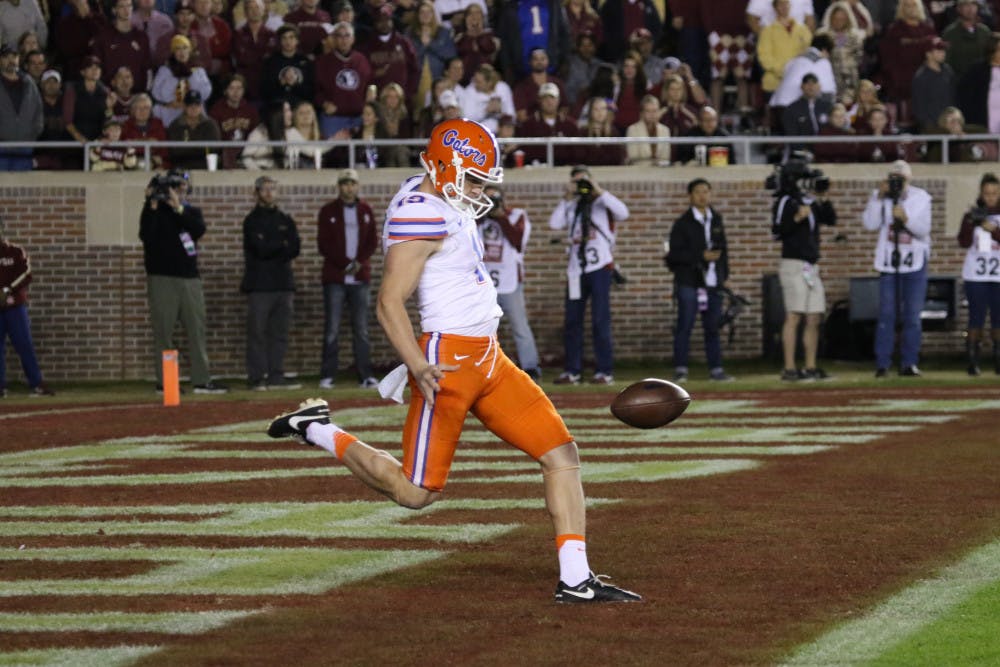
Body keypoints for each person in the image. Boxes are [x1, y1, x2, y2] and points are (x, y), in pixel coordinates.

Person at [266, 118, 640, 604]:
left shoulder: (439, 193)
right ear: (445, 168)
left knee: (561, 453)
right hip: (449, 364)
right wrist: (418, 365)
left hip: (490, 356)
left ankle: (575, 578)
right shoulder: (422, 213)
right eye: (474, 178)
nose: (480, 189)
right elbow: (388, 302)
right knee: (415, 492)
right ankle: (315, 428)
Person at [139, 170, 229, 394]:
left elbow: (198, 229)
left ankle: (201, 380)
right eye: (172, 186)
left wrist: (177, 206)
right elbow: (146, 236)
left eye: (180, 185)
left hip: (189, 278)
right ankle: (166, 383)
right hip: (162, 278)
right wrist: (151, 203)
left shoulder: (189, 211)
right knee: (164, 332)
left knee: (196, 331)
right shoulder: (154, 211)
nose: (176, 189)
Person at [549, 164, 630, 386]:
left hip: (600, 269)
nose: (581, 185)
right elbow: (554, 223)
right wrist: (567, 197)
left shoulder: (602, 204)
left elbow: (623, 212)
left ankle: (604, 370)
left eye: (584, 180)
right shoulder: (572, 206)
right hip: (576, 270)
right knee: (572, 322)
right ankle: (572, 371)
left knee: (600, 320)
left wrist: (598, 190)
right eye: (577, 181)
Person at [862, 159, 932, 377]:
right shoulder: (881, 198)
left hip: (914, 262)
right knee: (886, 314)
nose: (896, 183)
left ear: (908, 179)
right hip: (889, 264)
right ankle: (882, 363)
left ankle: (909, 362)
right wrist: (878, 198)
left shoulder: (920, 198)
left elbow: (923, 230)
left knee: (912, 315)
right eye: (893, 178)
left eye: (900, 179)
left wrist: (906, 219)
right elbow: (870, 224)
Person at [771, 156, 837, 381]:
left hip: (811, 266)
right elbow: (777, 230)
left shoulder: (808, 200)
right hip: (793, 264)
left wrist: (823, 197)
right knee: (794, 315)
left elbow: (830, 219)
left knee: (814, 317)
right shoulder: (786, 201)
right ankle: (789, 367)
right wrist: (797, 217)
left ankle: (810, 366)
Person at [666, 178, 733, 383]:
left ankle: (716, 368)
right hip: (689, 281)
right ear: (690, 196)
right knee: (684, 325)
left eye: (706, 191)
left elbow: (724, 251)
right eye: (698, 192)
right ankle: (681, 368)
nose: (703, 196)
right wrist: (700, 256)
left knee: (712, 326)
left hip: (713, 281)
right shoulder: (682, 223)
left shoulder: (717, 219)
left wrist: (725, 276)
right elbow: (673, 257)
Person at [317, 168, 379, 389]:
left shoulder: (365, 210)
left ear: (357, 186)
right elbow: (324, 243)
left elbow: (372, 240)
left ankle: (365, 375)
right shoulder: (327, 211)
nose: (348, 187)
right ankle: (327, 375)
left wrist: (358, 263)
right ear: (339, 186)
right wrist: (345, 264)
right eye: (344, 183)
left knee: (361, 328)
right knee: (332, 328)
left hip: (360, 279)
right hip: (335, 278)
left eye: (352, 183)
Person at [241, 176, 302, 391]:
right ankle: (257, 377)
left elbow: (295, 248)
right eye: (264, 189)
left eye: (272, 189)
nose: (269, 193)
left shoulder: (285, 219)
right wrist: (280, 244)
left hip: (283, 284)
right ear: (256, 193)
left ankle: (276, 375)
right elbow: (260, 249)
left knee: (280, 333)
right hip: (259, 285)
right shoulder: (251, 220)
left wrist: (272, 245)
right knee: (257, 333)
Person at [479, 184, 542, 381]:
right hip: (483, 283)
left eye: (494, 199)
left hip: (509, 281)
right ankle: (481, 367)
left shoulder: (516, 215)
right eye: (486, 199)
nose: (491, 203)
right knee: (481, 327)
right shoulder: (476, 219)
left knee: (519, 325)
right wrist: (482, 214)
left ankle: (530, 366)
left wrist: (500, 217)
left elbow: (518, 241)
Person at [0, 214, 54, 397]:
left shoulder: (16, 252)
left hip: (15, 308)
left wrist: (7, 290)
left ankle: (36, 384)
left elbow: (27, 274)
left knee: (24, 345)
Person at [957, 172, 1000, 375]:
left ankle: (998, 359)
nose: (990, 197)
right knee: (976, 317)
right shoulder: (972, 215)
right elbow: (963, 241)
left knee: (998, 318)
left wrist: (993, 230)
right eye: (986, 193)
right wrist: (971, 222)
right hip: (976, 274)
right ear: (981, 194)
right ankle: (973, 361)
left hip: (998, 273)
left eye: (994, 193)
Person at [0, 45, 43, 171]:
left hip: (25, 146)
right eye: (6, 57)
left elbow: (38, 111)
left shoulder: (29, 82)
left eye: (14, 56)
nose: (11, 60)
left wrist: (32, 135)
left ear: (19, 59)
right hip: (1, 146)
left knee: (23, 187)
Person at [626, 94, 671, 166]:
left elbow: (665, 158)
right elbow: (633, 158)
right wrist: (652, 165)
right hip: (638, 172)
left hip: (661, 173)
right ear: (642, 113)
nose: (652, 114)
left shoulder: (665, 130)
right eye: (648, 111)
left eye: (655, 111)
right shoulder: (633, 130)